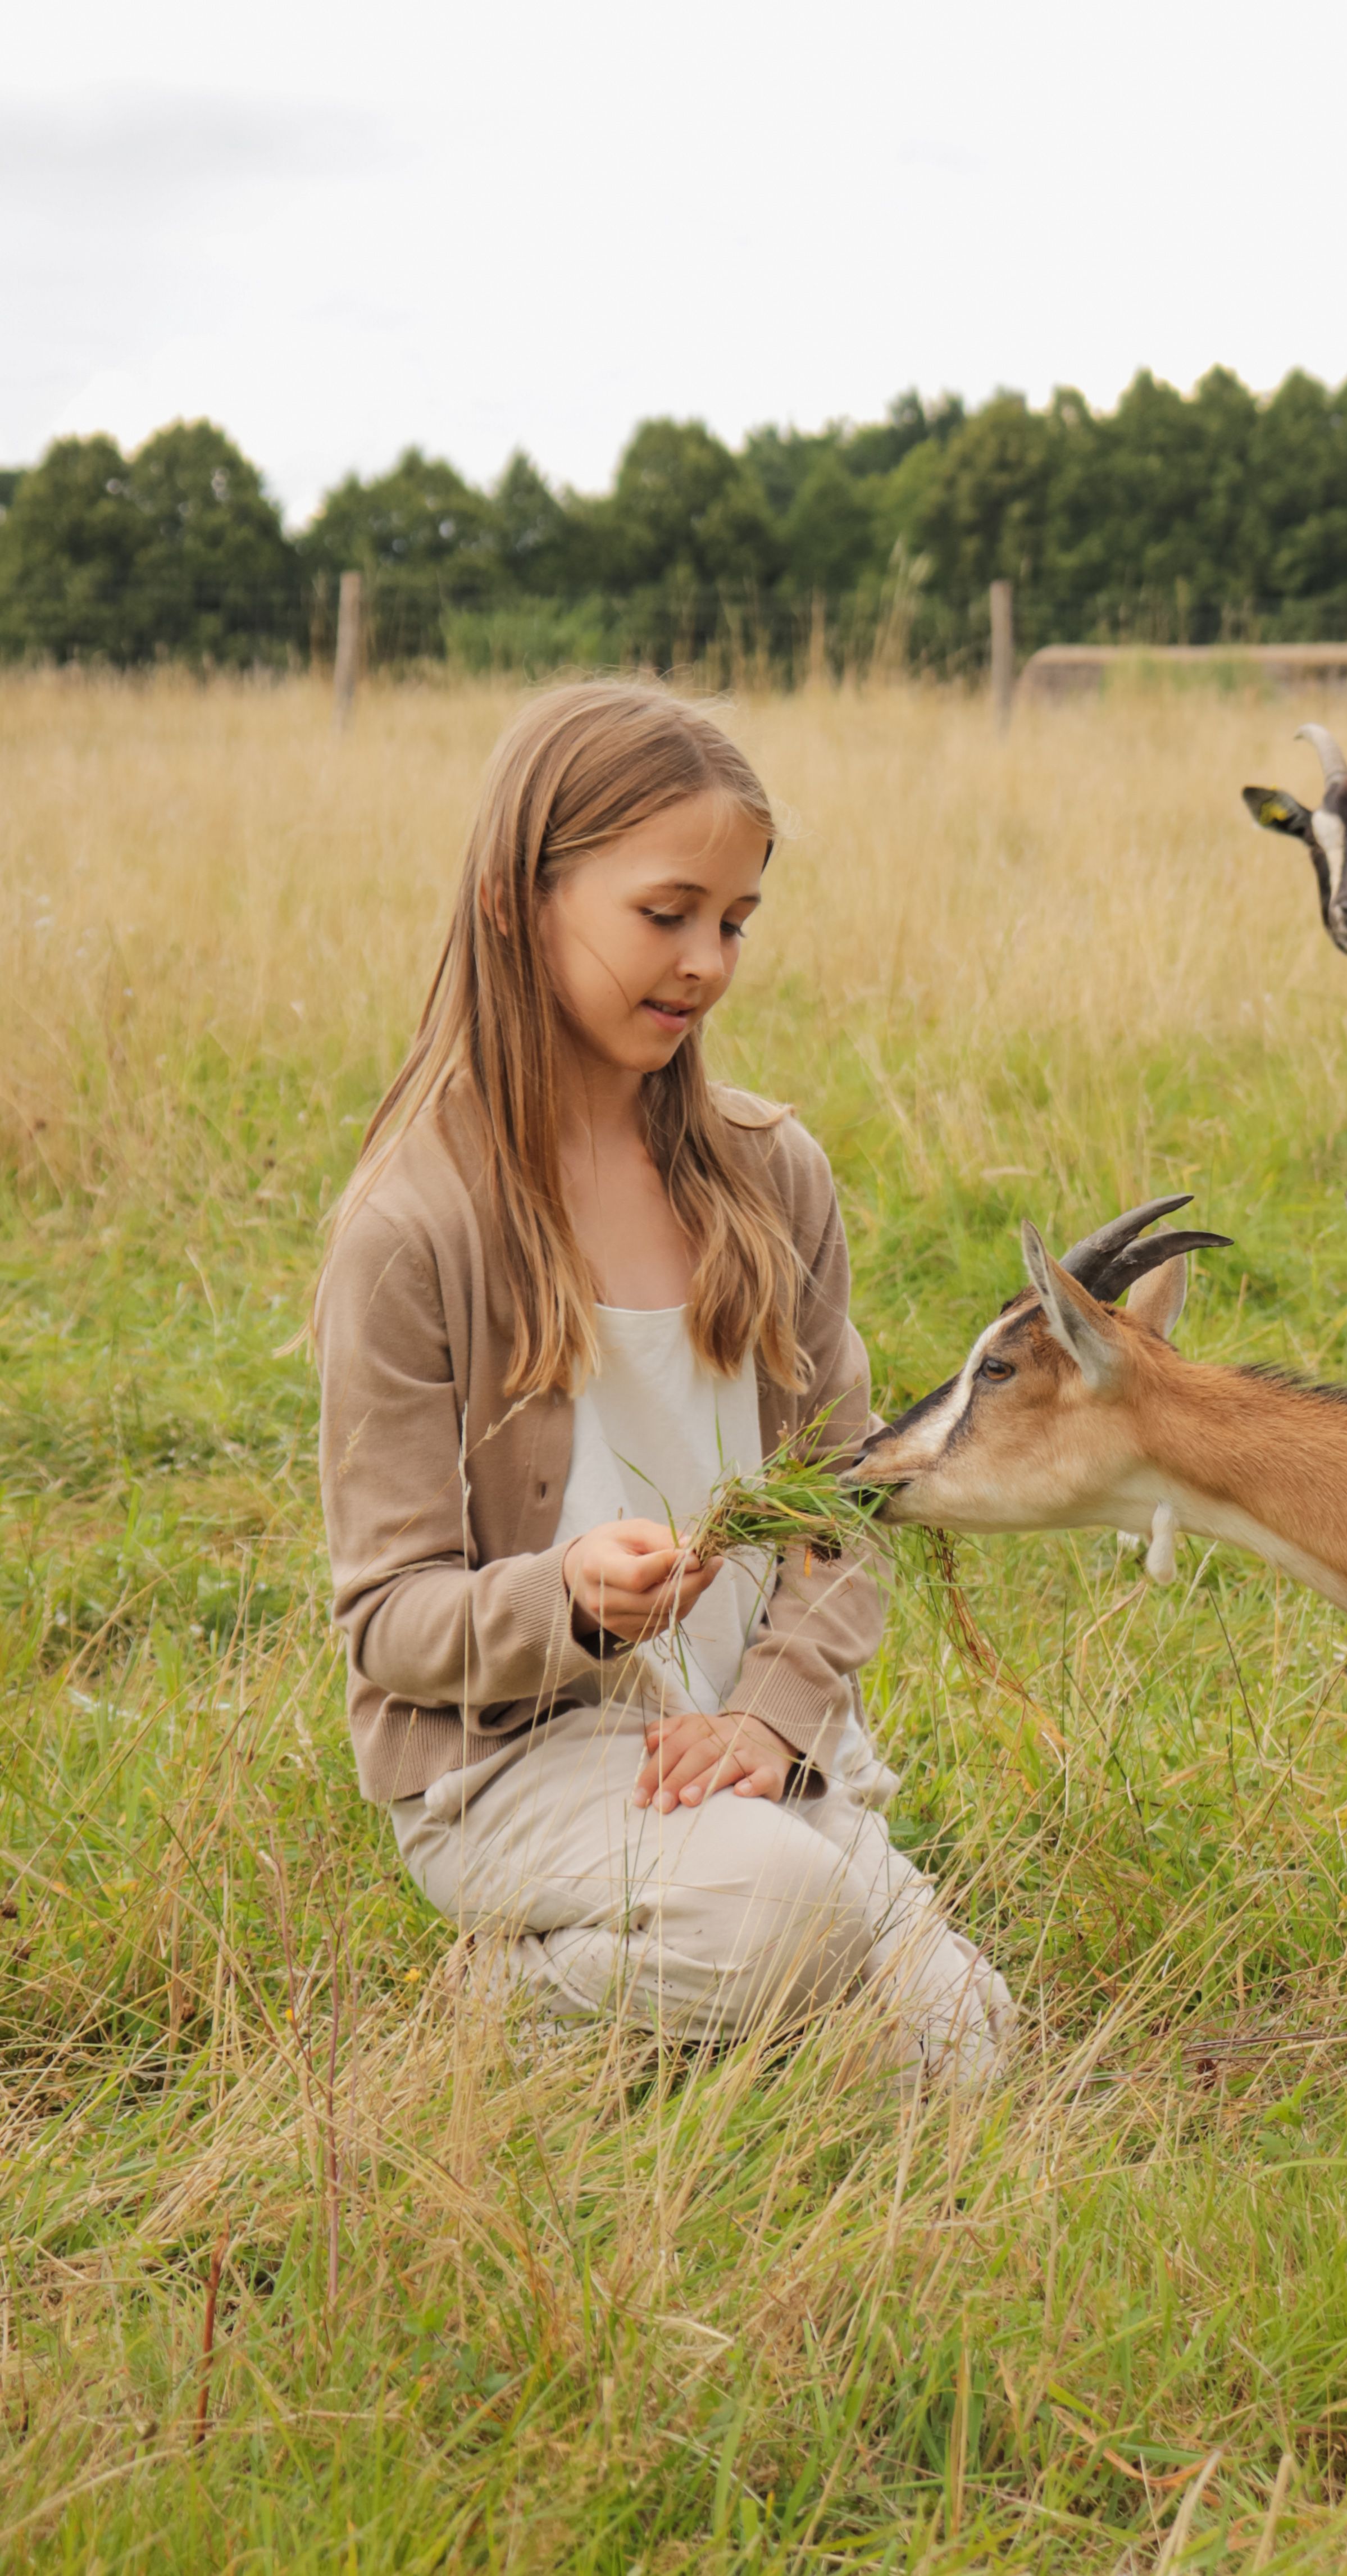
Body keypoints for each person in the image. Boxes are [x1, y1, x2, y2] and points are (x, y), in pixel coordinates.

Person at [315, 678, 1008, 2082]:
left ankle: (693, 2009)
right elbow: (388, 1619)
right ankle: (504, 2009)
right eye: (665, 911)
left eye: (736, 922)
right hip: (516, 1758)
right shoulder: (411, 1227)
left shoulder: (770, 1175)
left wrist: (770, 1715)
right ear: (519, 896)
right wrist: (564, 1598)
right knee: (782, 1916)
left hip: (741, 1738)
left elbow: (848, 1503)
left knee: (965, 2049)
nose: (706, 960)